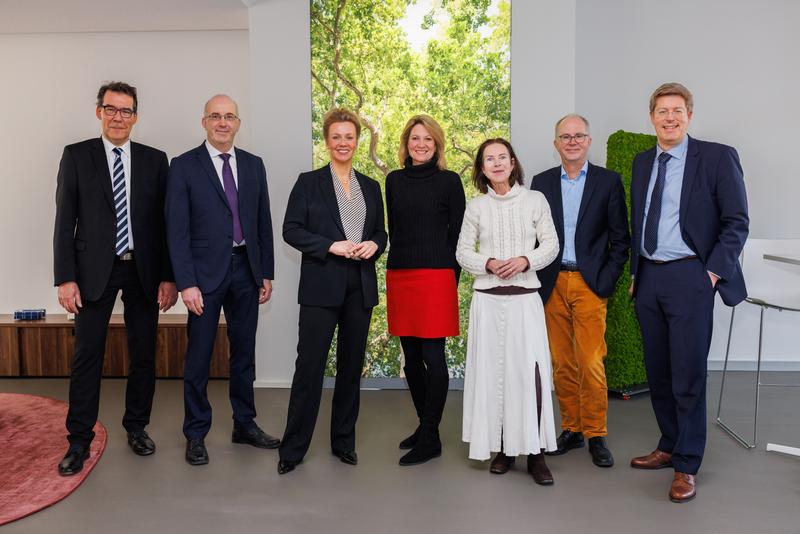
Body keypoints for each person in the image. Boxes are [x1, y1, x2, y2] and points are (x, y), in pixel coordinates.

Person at [629, 83, 748, 502]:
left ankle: (687, 465)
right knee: (658, 371)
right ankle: (668, 445)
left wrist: (711, 274)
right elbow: (640, 219)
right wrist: (635, 272)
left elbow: (736, 222)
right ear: (652, 118)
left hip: (691, 278)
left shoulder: (716, 157)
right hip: (649, 279)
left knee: (688, 374)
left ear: (689, 116)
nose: (669, 117)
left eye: (677, 110)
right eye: (662, 111)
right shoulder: (644, 162)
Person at [53, 81, 177, 476]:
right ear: (99, 112)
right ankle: (78, 440)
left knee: (144, 353)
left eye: (126, 111)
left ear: (135, 116)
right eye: (111, 109)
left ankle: (136, 427)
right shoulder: (76, 156)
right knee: (86, 356)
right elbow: (64, 220)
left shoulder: (156, 160)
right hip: (92, 272)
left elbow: (165, 224)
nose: (118, 117)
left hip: (143, 269)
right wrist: (65, 278)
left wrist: (168, 277)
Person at [166, 94, 278, 466]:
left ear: (238, 123)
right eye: (215, 116)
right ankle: (196, 432)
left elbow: (263, 222)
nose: (222, 122)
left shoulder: (253, 165)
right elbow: (176, 230)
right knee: (198, 356)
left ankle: (244, 424)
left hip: (246, 270)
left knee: (244, 353)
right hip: (203, 275)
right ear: (204, 122)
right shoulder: (183, 166)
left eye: (229, 116)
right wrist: (186, 282)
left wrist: (266, 273)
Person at [278, 108, 387, 475]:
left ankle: (344, 442)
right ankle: (292, 450)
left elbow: (380, 233)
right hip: (320, 289)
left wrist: (374, 245)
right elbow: (291, 230)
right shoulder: (308, 183)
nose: (343, 142)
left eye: (349, 136)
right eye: (336, 136)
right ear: (327, 141)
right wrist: (330, 246)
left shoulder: (371, 187)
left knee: (350, 368)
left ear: (358, 141)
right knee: (309, 369)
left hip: (360, 289)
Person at [456, 138, 559, 485]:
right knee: (493, 374)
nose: (497, 163)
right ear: (482, 168)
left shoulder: (535, 200)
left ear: (513, 163)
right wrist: (488, 263)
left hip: (525, 300)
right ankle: (503, 449)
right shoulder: (476, 207)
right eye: (490, 159)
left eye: (503, 157)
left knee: (529, 374)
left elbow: (551, 245)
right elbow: (461, 253)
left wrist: (524, 260)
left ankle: (536, 453)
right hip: (487, 301)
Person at [532, 114, 630, 468]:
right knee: (562, 363)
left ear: (588, 141)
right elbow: (534, 236)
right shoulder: (541, 183)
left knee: (590, 362)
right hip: (552, 282)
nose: (572, 141)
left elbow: (621, 240)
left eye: (578, 136)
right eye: (565, 136)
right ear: (556, 143)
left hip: (590, 284)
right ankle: (571, 429)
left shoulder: (608, 182)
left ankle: (596, 433)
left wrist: (604, 280)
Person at [385, 114, 466, 466]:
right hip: (401, 275)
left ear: (437, 145)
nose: (421, 144)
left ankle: (431, 435)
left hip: (437, 276)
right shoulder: (393, 181)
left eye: (428, 140)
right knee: (412, 359)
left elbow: (459, 236)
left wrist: (451, 276)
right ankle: (425, 425)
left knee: (434, 358)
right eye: (415, 138)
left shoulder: (450, 182)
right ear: (406, 143)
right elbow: (397, 228)